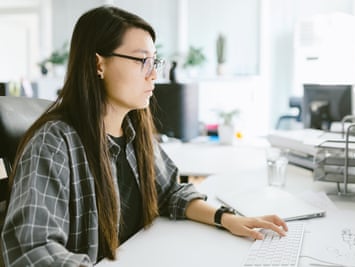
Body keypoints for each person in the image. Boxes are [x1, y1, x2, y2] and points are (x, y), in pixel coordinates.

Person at [1, 5, 287, 266]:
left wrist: (226, 219)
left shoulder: (134, 132)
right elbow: (31, 248)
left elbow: (170, 193)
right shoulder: (54, 142)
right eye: (142, 61)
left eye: (154, 62)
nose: (154, 76)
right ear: (99, 65)